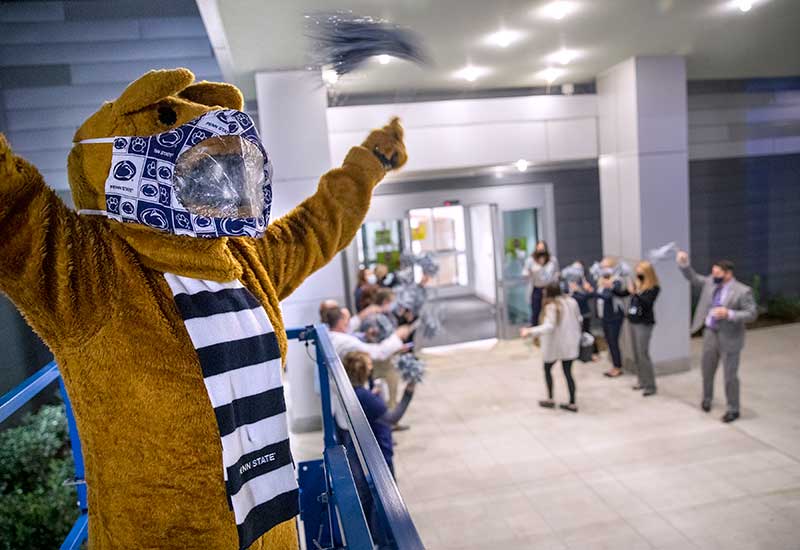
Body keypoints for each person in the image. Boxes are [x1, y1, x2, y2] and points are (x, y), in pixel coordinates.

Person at [676, 252, 757, 423]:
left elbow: (752, 314)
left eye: (718, 273)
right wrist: (684, 264)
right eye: (713, 273)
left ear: (728, 273)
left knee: (730, 375)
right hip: (710, 333)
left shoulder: (742, 291)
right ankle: (707, 398)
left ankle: (733, 408)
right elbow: (693, 278)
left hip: (731, 336)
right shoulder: (710, 282)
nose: (714, 276)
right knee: (707, 369)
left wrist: (729, 313)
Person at [342, 351, 415, 474]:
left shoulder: (351, 389)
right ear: (362, 371)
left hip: (365, 448)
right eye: (369, 365)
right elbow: (392, 418)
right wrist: (408, 392)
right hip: (379, 450)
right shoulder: (365, 396)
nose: (372, 368)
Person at [520, 283, 583, 412]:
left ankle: (550, 399)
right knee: (568, 373)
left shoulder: (552, 307)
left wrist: (530, 331)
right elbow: (579, 319)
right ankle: (572, 403)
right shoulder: (572, 302)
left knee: (547, 369)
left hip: (555, 345)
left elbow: (549, 326)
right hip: (570, 343)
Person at [616, 261, 660, 396]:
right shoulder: (637, 283)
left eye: (640, 270)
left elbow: (647, 303)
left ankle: (651, 385)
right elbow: (623, 293)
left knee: (643, 354)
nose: (637, 273)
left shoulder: (653, 288)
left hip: (644, 324)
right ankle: (641, 380)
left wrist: (635, 293)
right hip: (632, 321)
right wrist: (612, 285)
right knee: (636, 354)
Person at [588, 257, 627, 377]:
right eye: (601, 267)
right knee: (609, 341)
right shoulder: (602, 279)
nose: (602, 269)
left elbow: (607, 296)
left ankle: (617, 367)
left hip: (614, 317)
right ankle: (615, 365)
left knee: (613, 342)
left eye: (605, 267)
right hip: (605, 316)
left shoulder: (617, 280)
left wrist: (594, 291)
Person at [523, 240, 560, 326]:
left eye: (542, 249)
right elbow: (525, 274)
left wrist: (555, 279)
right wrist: (531, 272)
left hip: (550, 289)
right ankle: (536, 334)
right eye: (539, 249)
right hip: (537, 289)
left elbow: (557, 272)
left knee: (551, 311)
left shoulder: (552, 260)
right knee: (536, 312)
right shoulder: (530, 260)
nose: (541, 251)